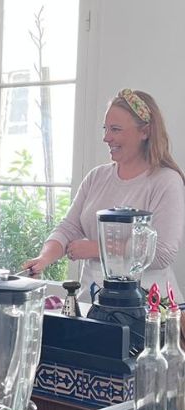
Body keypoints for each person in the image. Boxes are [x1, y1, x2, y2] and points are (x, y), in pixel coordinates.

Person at [23, 89, 185, 294]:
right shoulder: (97, 177)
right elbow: (68, 228)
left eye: (115, 129)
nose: (106, 138)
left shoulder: (166, 181)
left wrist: (96, 248)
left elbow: (161, 253)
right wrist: (43, 259)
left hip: (147, 307)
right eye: (105, 129)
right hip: (93, 302)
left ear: (145, 131)